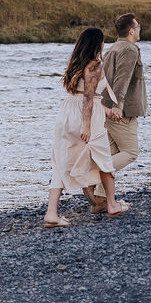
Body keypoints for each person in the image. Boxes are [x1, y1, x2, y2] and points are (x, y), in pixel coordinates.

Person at [46, 27, 131, 227]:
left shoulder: (75, 64)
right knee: (104, 160)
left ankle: (51, 213)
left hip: (66, 114)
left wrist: (107, 112)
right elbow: (88, 98)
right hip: (86, 117)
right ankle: (112, 204)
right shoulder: (94, 66)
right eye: (102, 41)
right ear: (97, 44)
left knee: (61, 162)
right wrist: (87, 126)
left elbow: (82, 95)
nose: (104, 45)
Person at [85, 14, 148, 213]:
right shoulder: (129, 49)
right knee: (130, 152)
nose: (139, 29)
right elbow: (123, 79)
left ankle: (102, 201)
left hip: (104, 109)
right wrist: (118, 106)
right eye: (137, 26)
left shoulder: (113, 48)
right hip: (120, 111)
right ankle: (92, 176)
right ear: (131, 30)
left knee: (112, 153)